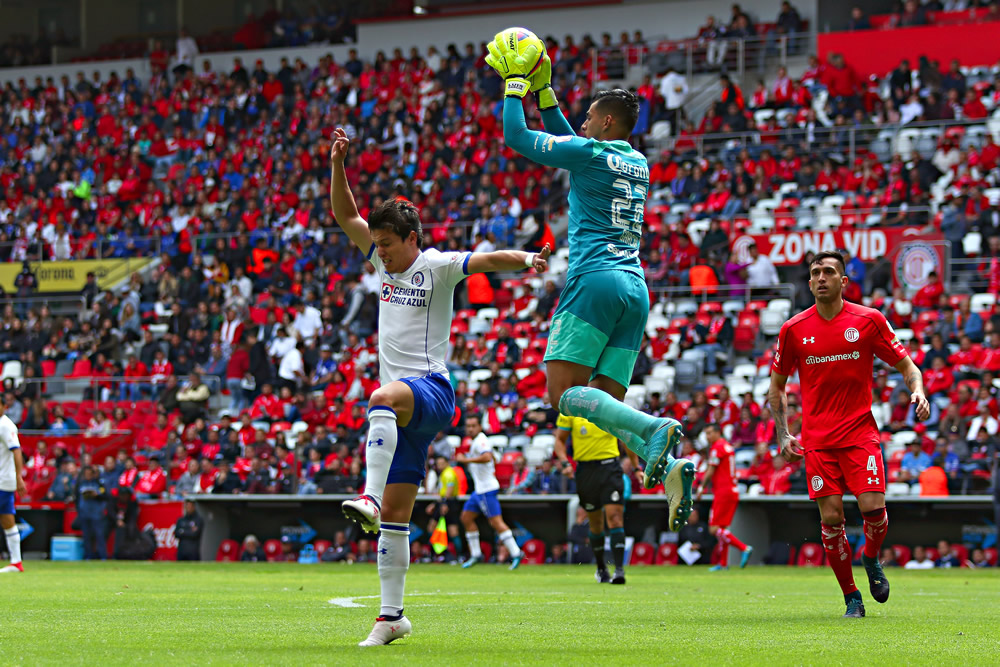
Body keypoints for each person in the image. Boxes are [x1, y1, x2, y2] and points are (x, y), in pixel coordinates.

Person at [329, 128, 549, 647]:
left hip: (430, 388)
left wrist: (527, 261)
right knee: (397, 518)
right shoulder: (381, 260)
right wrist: (338, 165)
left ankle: (368, 495)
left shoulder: (438, 266)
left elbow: (488, 260)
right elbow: (345, 215)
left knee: (379, 398)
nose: (380, 252)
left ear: (412, 238)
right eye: (377, 244)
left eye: (387, 244)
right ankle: (391, 617)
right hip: (403, 411)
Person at [487, 33, 692, 534]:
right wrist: (546, 94)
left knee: (563, 393)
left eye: (588, 118)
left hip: (594, 280)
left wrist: (516, 85)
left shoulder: (591, 154)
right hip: (634, 288)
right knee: (603, 404)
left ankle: (654, 429)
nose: (580, 124)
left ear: (604, 123)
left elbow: (517, 137)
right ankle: (667, 463)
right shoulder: (636, 161)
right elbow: (573, 142)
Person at [769, 250, 930, 619]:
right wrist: (783, 434)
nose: (821, 278)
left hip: (860, 434)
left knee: (874, 509)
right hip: (818, 441)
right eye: (815, 273)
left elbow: (909, 367)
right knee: (831, 519)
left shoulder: (868, 320)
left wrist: (918, 391)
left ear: (843, 281)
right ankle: (851, 597)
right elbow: (776, 387)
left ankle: (870, 557)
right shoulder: (794, 329)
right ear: (809, 282)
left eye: (828, 272)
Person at [554, 411, 636, 584]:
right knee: (595, 523)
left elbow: (626, 438)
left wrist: (636, 468)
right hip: (585, 471)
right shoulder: (570, 409)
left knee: (615, 518)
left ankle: (619, 570)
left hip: (610, 468)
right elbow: (560, 440)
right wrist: (565, 462)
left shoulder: (608, 407)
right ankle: (601, 568)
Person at [455, 415, 523, 570]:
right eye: (468, 426)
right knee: (466, 518)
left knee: (496, 522)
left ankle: (516, 552)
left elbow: (487, 457)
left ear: (480, 427)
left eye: (473, 426)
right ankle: (476, 554)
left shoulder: (481, 440)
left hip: (487, 489)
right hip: (479, 490)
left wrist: (465, 460)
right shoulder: (476, 441)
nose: (470, 429)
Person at [694, 423, 753, 571]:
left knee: (714, 529)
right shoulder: (727, 446)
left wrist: (701, 487)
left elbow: (711, 469)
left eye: (709, 433)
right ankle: (723, 563)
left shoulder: (717, 447)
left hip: (723, 491)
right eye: (706, 434)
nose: (707, 437)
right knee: (723, 528)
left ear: (717, 433)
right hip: (732, 490)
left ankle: (744, 548)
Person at [0, 399, 24, 573]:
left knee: (7, 520)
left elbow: (16, 450)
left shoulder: (5, 425)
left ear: (5, 407)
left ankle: (16, 561)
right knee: (7, 520)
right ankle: (16, 562)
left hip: (2, 480)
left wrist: (19, 476)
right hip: (4, 480)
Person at [75, 465, 108, 560]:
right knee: (86, 536)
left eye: (90, 474)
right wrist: (79, 510)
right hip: (84, 513)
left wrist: (97, 495)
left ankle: (102, 556)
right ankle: (88, 555)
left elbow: (105, 495)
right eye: (86, 474)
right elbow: (76, 497)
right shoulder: (81, 484)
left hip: (96, 513)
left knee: (99, 535)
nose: (88, 476)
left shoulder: (98, 483)